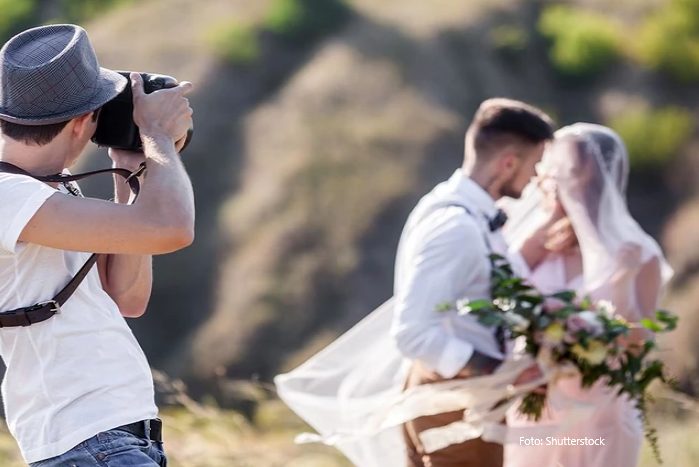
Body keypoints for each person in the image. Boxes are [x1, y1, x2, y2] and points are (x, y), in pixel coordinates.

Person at [0, 24, 194, 466]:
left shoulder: (47, 190)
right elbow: (172, 228)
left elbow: (127, 297)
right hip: (87, 439)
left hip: (115, 435)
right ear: (82, 122)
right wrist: (156, 134)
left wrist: (132, 170)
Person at [276, 98, 564, 467]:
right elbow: (413, 333)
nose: (536, 177)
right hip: (451, 402)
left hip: (460, 397)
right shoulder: (456, 227)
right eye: (535, 165)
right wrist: (499, 372)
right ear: (508, 163)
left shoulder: (467, 212)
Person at [500, 123, 674, 467]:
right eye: (550, 171)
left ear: (588, 175)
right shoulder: (538, 241)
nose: (548, 179)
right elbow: (502, 291)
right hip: (539, 407)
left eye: (562, 171)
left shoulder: (638, 253)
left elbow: (641, 343)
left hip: (602, 412)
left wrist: (621, 283)